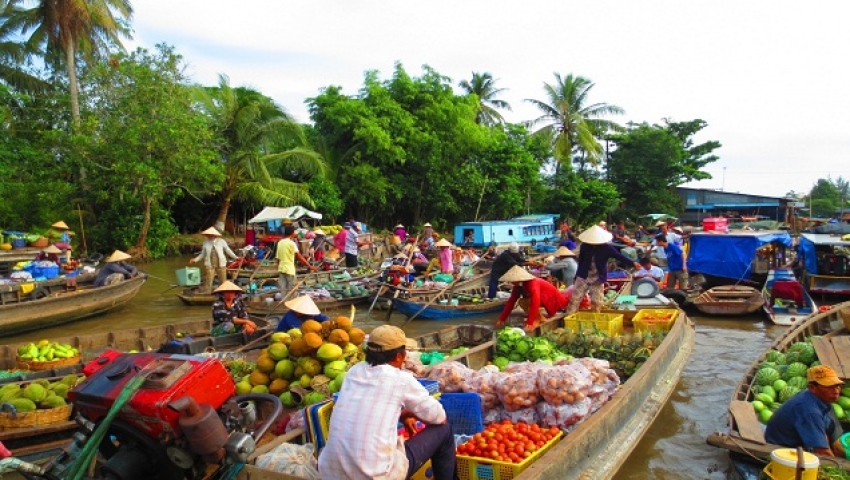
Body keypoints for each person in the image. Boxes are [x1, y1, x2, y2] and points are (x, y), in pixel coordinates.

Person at [318, 325, 457, 480]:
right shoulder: (401, 379)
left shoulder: (353, 372)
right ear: (399, 356)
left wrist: (403, 414)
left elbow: (370, 406)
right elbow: (439, 417)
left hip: (331, 473)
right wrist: (413, 413)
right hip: (376, 476)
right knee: (444, 430)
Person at [765, 365, 847, 457]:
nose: (836, 391)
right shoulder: (810, 411)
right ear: (812, 388)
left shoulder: (814, 397)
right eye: (829, 386)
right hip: (783, 450)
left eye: (837, 386)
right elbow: (821, 451)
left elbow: (822, 430)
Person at [566, 225, 641, 314]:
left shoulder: (607, 248)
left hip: (598, 277)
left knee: (596, 302)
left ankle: (596, 318)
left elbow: (619, 256)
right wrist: (576, 276)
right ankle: (569, 316)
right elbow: (581, 261)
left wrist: (632, 263)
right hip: (584, 275)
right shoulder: (584, 246)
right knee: (575, 299)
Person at [496, 266, 569, 331]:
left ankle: (537, 319)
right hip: (544, 298)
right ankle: (539, 317)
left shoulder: (533, 283)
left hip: (552, 299)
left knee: (527, 301)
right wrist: (502, 318)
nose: (511, 282)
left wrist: (530, 321)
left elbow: (535, 302)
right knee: (522, 301)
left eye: (512, 280)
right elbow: (511, 302)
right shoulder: (517, 287)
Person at [190, 227, 239, 293]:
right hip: (210, 265)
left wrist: (236, 257)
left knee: (223, 281)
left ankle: (223, 293)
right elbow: (202, 254)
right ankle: (207, 293)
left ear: (214, 235)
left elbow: (228, 250)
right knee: (209, 281)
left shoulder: (221, 241)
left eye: (210, 235)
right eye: (208, 235)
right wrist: (195, 260)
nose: (209, 236)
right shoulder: (205, 243)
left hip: (221, 264)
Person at [276, 225, 317, 292]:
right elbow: (299, 256)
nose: (295, 234)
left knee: (283, 290)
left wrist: (279, 267)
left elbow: (278, 258)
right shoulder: (291, 243)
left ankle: (284, 299)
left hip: (281, 269)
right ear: (292, 233)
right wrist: (310, 266)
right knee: (292, 290)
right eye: (294, 232)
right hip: (289, 270)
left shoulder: (280, 243)